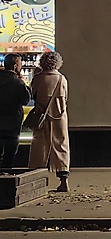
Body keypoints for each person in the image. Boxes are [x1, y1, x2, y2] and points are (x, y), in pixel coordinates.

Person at [27, 51, 70, 192]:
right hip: (59, 117)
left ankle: (37, 181)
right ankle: (64, 181)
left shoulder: (38, 79)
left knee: (40, 148)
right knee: (61, 146)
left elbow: (33, 96)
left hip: (42, 118)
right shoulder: (62, 79)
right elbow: (65, 98)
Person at [0, 54, 31, 170]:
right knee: (10, 151)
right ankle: (6, 174)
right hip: (12, 122)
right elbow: (25, 100)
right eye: (20, 64)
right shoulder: (17, 83)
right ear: (15, 66)